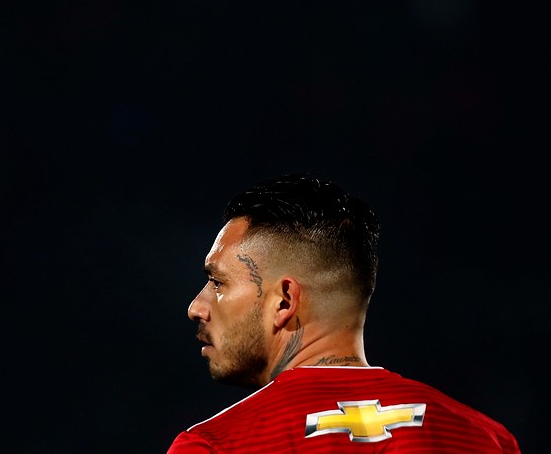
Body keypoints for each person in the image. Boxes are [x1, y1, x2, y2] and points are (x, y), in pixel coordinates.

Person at [167, 173, 519, 453]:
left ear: (284, 301)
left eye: (218, 282)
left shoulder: (217, 445)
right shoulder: (485, 439)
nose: (196, 308)